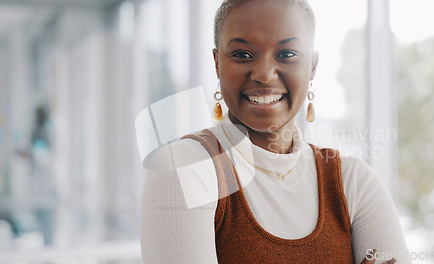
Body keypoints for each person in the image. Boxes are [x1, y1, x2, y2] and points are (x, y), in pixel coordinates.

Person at [140, 0, 410, 263]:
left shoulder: (352, 181)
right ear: (217, 63)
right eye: (242, 55)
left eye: (287, 54)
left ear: (313, 66)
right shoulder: (185, 168)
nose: (265, 74)